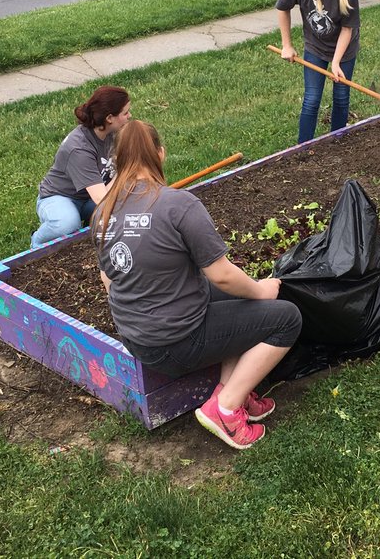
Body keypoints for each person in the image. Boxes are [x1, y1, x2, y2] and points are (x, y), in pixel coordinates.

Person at [94, 120, 302, 449]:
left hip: (136, 338)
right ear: (160, 154)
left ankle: (230, 390)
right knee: (286, 317)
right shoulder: (177, 205)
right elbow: (221, 274)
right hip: (175, 343)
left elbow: (109, 280)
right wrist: (262, 290)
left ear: (116, 162)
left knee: (233, 302)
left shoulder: (103, 212)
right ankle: (226, 410)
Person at [276, 0, 361, 143]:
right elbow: (282, 8)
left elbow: (348, 29)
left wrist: (336, 62)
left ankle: (337, 141)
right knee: (312, 99)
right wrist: (287, 45)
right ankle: (303, 147)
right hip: (315, 47)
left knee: (341, 98)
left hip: (344, 50)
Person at [30, 85, 132, 249]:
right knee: (68, 224)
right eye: (125, 113)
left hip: (90, 196)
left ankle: (87, 222)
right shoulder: (79, 148)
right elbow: (102, 200)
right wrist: (124, 171)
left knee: (128, 201)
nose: (129, 116)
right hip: (60, 196)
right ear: (109, 118)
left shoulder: (113, 132)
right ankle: (37, 242)